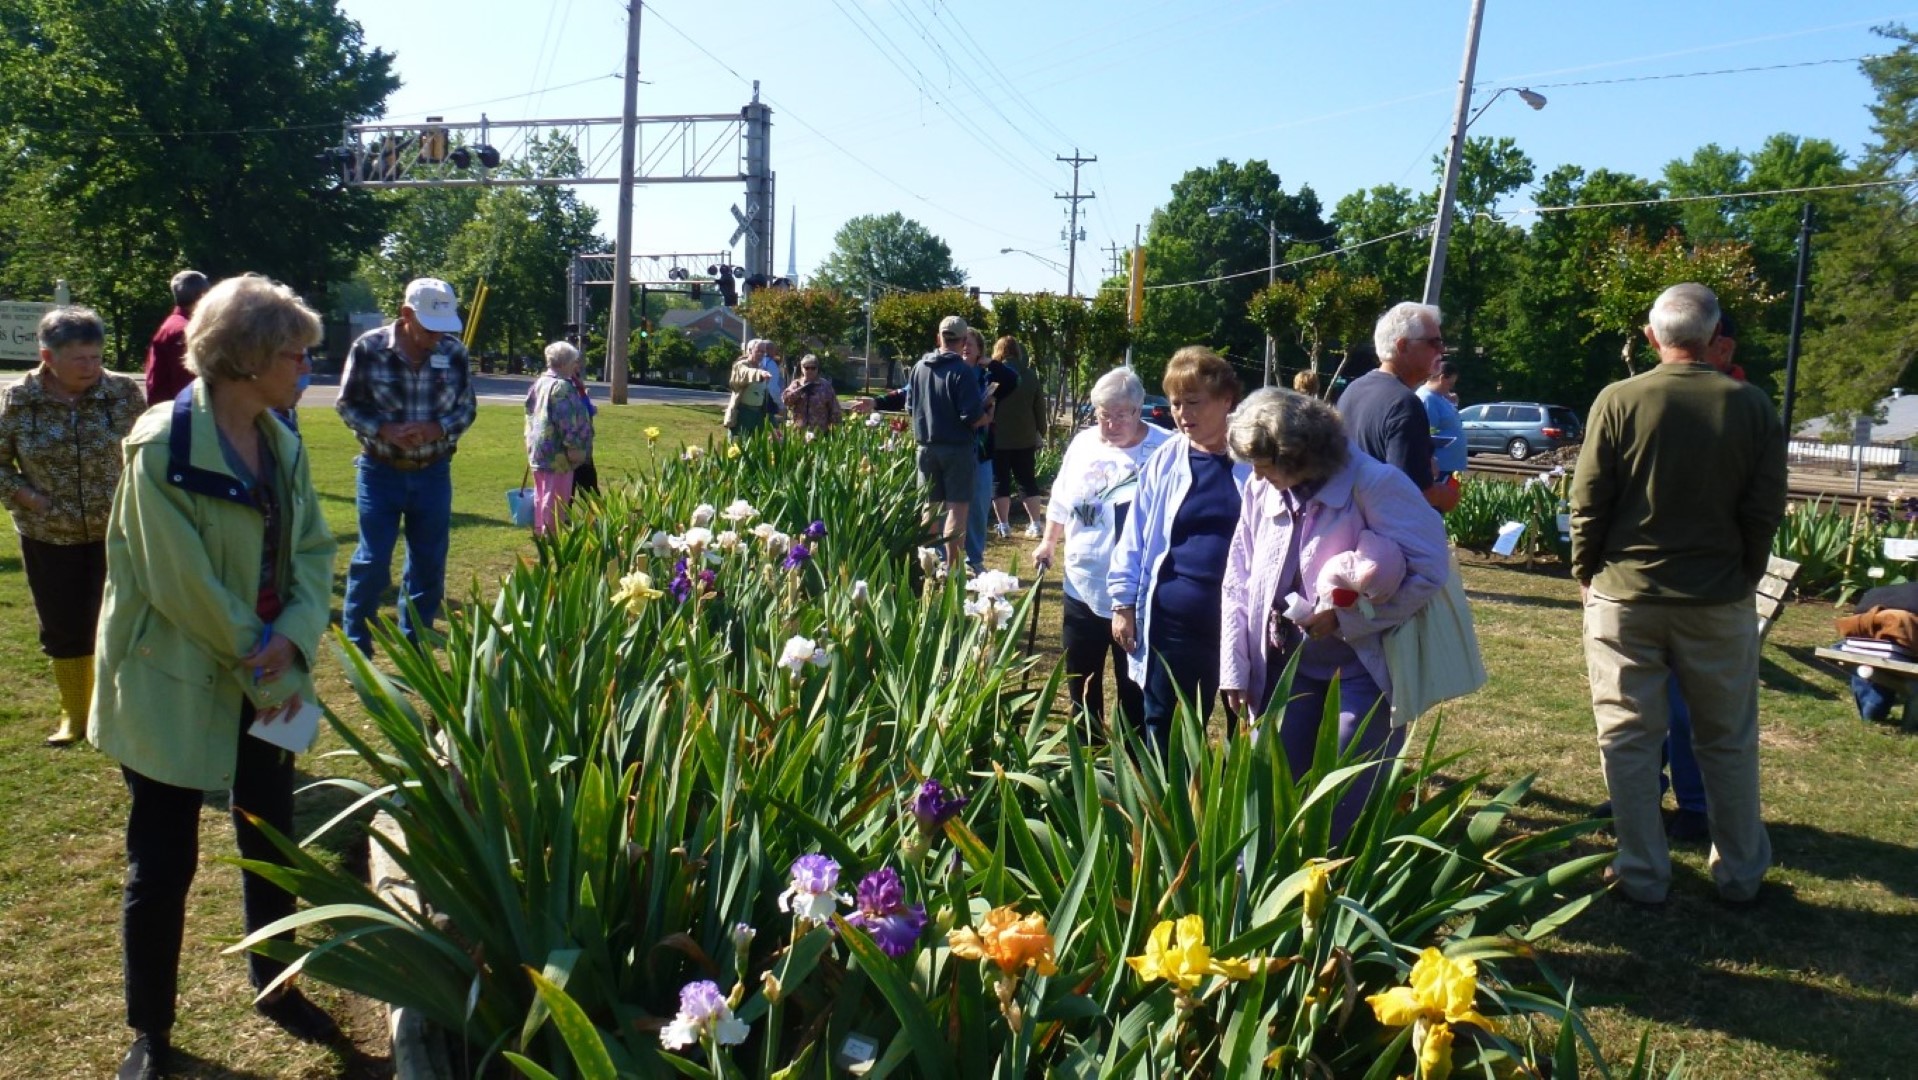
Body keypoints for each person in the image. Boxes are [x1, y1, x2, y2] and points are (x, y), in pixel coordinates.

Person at [91, 275, 342, 1078]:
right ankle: (151, 1032)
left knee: (272, 834)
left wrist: (295, 637)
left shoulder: (284, 439)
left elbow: (311, 552)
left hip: (272, 674)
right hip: (176, 677)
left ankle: (277, 981)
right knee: (161, 861)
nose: (307, 366)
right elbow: (176, 579)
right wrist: (254, 642)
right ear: (248, 358)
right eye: (296, 354)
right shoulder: (160, 445)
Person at [1570, 283, 1787, 908]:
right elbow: (1764, 507)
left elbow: (1589, 501)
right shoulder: (1751, 406)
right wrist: (1743, 575)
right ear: (1714, 335)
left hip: (1624, 596)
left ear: (1650, 336)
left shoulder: (1618, 399)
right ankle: (1741, 872)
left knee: (1629, 737)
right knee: (1727, 737)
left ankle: (1642, 872)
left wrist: (1587, 572)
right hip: (1717, 598)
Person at [1218, 389, 1450, 837]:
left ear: (1300, 455)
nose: (1258, 479)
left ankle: (1328, 893)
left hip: (1361, 667)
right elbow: (1237, 577)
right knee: (1267, 790)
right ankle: (1257, 897)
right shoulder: (1259, 486)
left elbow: (1429, 569)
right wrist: (1235, 665)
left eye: (1267, 468)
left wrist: (1344, 620)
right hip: (1284, 664)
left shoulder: (1376, 483)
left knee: (1343, 795)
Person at [0, 306, 144, 745]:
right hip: (49, 534)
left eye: (96, 357)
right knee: (63, 624)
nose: (91, 368)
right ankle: (75, 713)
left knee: (119, 620)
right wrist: (26, 496)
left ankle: (118, 708)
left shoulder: (123, 393)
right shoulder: (18, 398)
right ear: (48, 356)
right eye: (79, 359)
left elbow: (149, 455)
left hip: (116, 531)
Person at [1108, 347, 1250, 750]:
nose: (1183, 413)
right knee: (1168, 729)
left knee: (1250, 727)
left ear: (1227, 400)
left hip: (1242, 621)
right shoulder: (1166, 458)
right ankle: (1168, 809)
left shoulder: (1257, 462)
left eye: (1194, 402)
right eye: (1175, 403)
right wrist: (1122, 604)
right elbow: (1134, 536)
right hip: (1176, 622)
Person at [335, 276, 477, 655]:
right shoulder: (368, 349)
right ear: (406, 315)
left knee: (428, 564)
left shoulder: (455, 352)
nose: (437, 337)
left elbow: (467, 408)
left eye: (444, 328)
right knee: (373, 561)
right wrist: (384, 429)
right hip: (379, 471)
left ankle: (416, 646)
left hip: (433, 472)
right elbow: (347, 405)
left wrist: (439, 429)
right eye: (430, 328)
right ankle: (358, 648)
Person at [1033, 367, 1171, 734]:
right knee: (1082, 681)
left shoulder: (1166, 448)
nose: (1109, 425)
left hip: (1139, 592)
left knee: (1134, 688)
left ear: (1139, 409)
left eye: (1119, 415)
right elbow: (1062, 499)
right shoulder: (1083, 444)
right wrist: (1049, 541)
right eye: (1102, 415)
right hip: (1083, 582)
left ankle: (1136, 771)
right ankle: (1086, 766)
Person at [1337, 302, 1459, 514]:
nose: (1442, 349)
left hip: (1353, 523)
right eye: (1434, 342)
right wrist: (1444, 495)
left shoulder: (1353, 390)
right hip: (1388, 534)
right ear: (1402, 346)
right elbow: (1409, 492)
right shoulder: (1404, 403)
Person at [908, 316, 987, 571]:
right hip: (956, 448)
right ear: (963, 341)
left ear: (938, 337)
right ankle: (953, 571)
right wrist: (988, 413)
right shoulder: (962, 372)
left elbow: (910, 405)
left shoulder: (919, 367)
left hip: (925, 446)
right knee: (956, 510)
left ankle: (926, 566)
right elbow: (972, 418)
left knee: (928, 509)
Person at [524, 341, 595, 535]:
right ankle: (551, 537)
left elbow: (529, 413)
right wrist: (575, 448)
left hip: (539, 451)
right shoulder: (562, 387)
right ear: (564, 363)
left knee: (542, 495)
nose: (576, 366)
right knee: (556, 499)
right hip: (558, 455)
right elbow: (566, 422)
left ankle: (542, 532)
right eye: (574, 361)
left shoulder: (540, 382)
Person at [963, 328, 1014, 573]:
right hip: (953, 448)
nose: (965, 347)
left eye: (971, 344)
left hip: (981, 450)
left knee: (978, 507)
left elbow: (1013, 380)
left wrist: (991, 363)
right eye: (962, 342)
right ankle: (941, 560)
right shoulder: (949, 371)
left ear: (980, 350)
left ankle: (974, 559)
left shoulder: (986, 376)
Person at [990, 336, 1048, 538]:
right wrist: (1041, 431)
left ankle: (1003, 525)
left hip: (998, 437)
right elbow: (1039, 408)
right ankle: (1036, 524)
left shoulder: (993, 373)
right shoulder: (1030, 376)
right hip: (1024, 437)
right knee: (1027, 481)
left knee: (999, 482)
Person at [144, 270, 209, 407]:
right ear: (202, 296)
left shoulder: (172, 324)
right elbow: (187, 384)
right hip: (179, 413)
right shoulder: (185, 331)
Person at [1416, 360, 1468, 483]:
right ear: (1442, 378)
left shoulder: (1441, 397)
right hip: (1439, 467)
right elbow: (1427, 434)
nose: (1451, 388)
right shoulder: (1427, 399)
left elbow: (1450, 423)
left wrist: (1454, 404)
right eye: (1450, 384)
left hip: (1448, 466)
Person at [725, 340, 776, 438]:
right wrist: (759, 374)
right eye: (758, 351)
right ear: (750, 350)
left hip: (758, 415)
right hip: (743, 413)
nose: (761, 354)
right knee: (738, 447)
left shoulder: (762, 368)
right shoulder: (740, 365)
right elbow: (746, 372)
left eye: (763, 352)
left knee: (756, 448)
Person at [782, 353, 844, 431]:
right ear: (802, 368)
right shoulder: (796, 384)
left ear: (817, 369)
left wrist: (837, 427)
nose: (810, 371)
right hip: (799, 432)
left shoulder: (825, 386)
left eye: (813, 368)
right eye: (807, 368)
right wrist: (800, 390)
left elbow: (835, 408)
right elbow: (786, 400)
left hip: (819, 432)